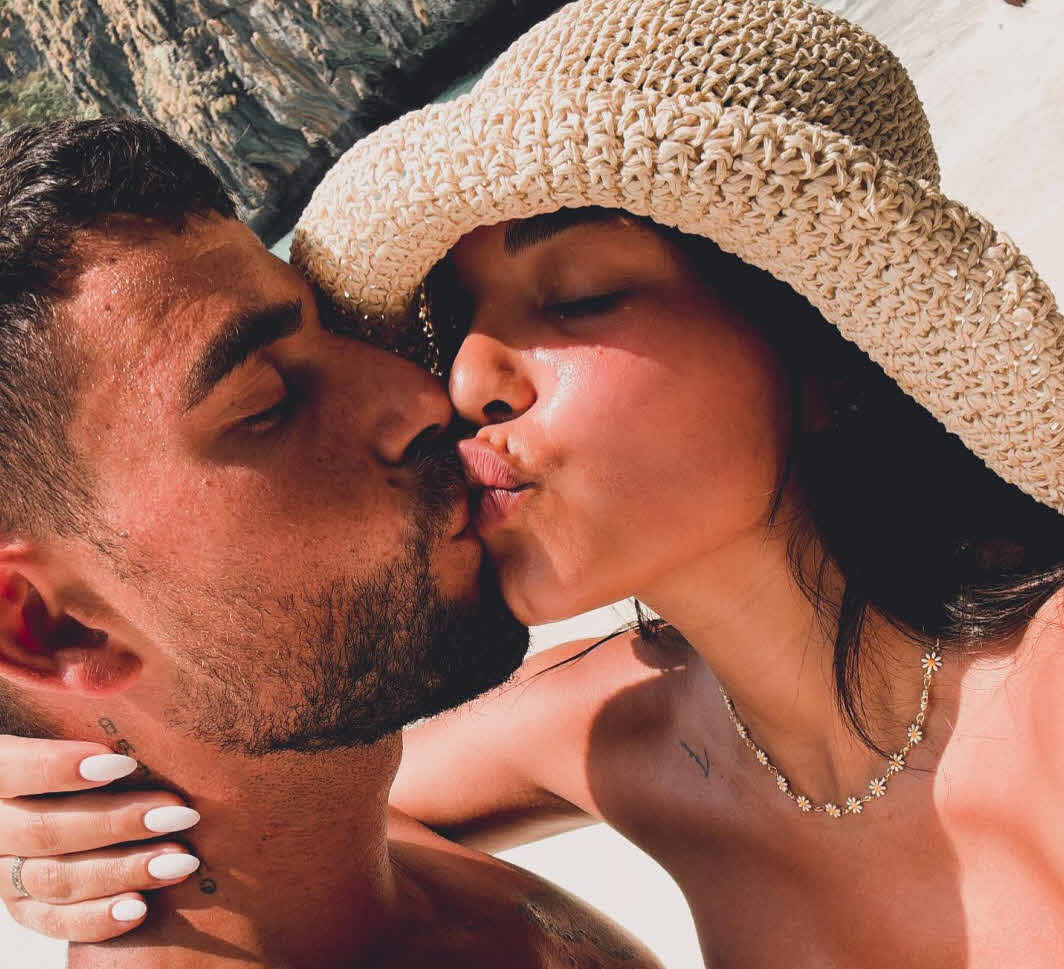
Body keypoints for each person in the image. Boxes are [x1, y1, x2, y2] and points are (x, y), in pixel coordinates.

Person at [4, 0, 1064, 966]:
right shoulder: (630, 733)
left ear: (830, 348)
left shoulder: (1024, 699)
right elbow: (274, 775)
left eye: (581, 296)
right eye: (460, 319)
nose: (452, 384)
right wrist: (49, 788)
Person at [0, 117, 663, 969]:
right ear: (50, 625)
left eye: (333, 327)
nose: (421, 395)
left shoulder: (352, 824)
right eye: (268, 402)